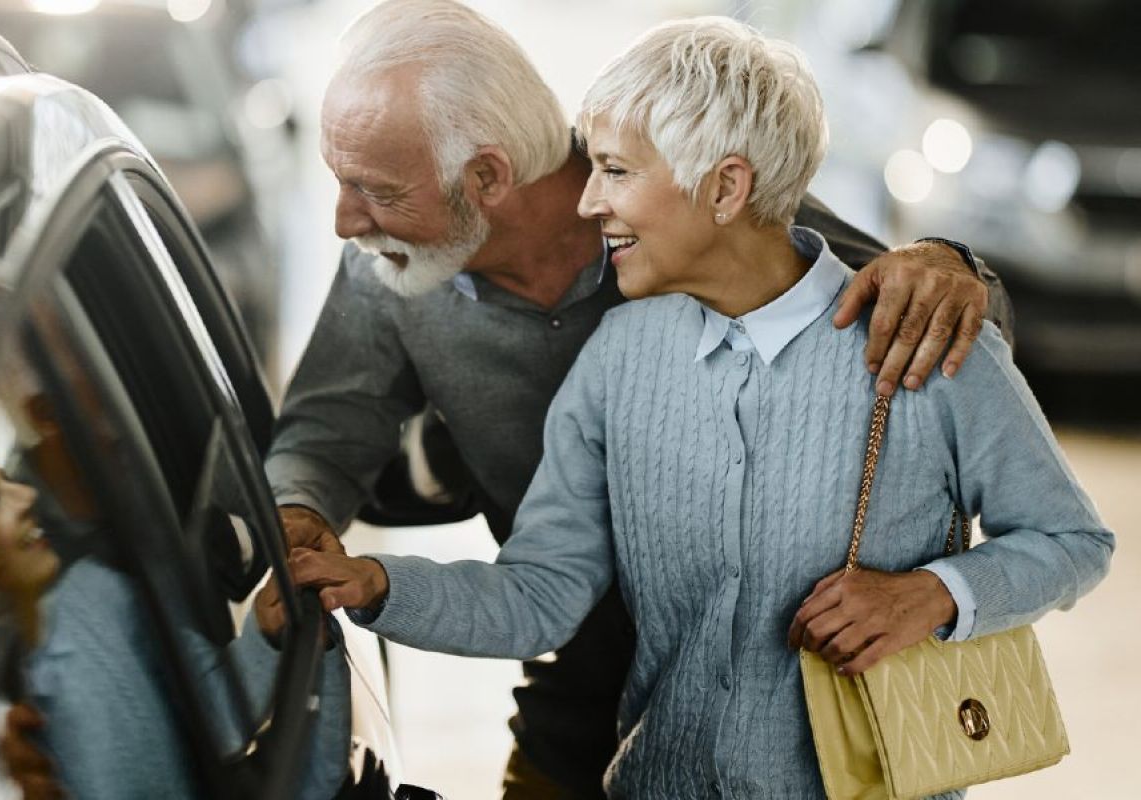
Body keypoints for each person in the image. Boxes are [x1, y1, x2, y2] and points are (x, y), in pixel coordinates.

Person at [282, 15, 1115, 799]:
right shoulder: (557, 340)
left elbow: (949, 340)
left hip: (859, 750)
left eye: (378, 189)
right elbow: (526, 579)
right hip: (600, 715)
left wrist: (935, 591)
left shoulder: (822, 284)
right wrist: (354, 565)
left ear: (489, 176)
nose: (345, 219)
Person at [0, 445, 350, 799]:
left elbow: (217, 713)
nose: (27, 495)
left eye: (7, 481)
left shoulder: (97, 591)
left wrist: (263, 632)